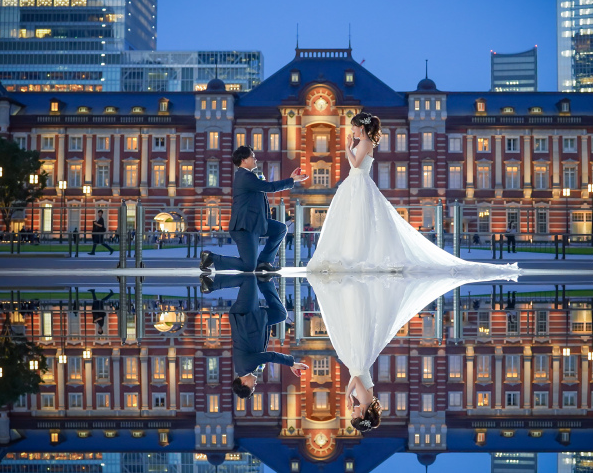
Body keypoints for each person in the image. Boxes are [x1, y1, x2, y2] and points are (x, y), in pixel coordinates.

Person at [306, 112, 520, 275]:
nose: (351, 130)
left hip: (359, 182)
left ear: (360, 127)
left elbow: (355, 163)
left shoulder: (364, 142)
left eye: (353, 126)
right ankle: (355, 256)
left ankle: (358, 257)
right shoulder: (364, 142)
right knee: (357, 221)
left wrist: (346, 148)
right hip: (356, 183)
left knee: (360, 221)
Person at [307, 268, 520, 432]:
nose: (350, 412)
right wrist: (347, 395)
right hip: (358, 360)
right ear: (361, 414)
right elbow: (356, 380)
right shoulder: (363, 400)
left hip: (361, 358)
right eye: (353, 416)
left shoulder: (369, 400)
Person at [200, 146, 308, 274]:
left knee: (280, 229)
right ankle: (211, 258)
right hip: (244, 227)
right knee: (248, 266)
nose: (256, 159)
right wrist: (292, 180)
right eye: (252, 156)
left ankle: (264, 262)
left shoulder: (249, 176)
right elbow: (269, 187)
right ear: (244, 160)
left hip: (256, 223)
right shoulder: (244, 176)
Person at [204, 274, 308, 398]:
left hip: (245, 317)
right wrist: (266, 325)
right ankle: (265, 279)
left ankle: (211, 284)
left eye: (252, 386)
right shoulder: (248, 368)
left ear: (243, 382)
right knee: (280, 314)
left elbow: (270, 356)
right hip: (255, 322)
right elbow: (261, 346)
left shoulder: (245, 366)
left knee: (249, 278)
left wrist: (291, 363)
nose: (255, 384)